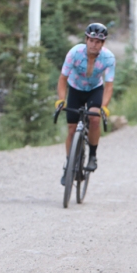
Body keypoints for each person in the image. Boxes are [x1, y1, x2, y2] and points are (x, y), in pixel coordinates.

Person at [55, 23, 115, 185]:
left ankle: (93, 155)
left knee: (94, 119)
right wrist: (61, 100)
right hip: (75, 88)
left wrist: (104, 106)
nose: (94, 45)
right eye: (91, 40)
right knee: (72, 129)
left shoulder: (108, 58)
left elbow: (109, 86)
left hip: (95, 90)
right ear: (86, 40)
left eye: (98, 42)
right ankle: (69, 164)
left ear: (102, 44)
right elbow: (62, 79)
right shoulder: (74, 53)